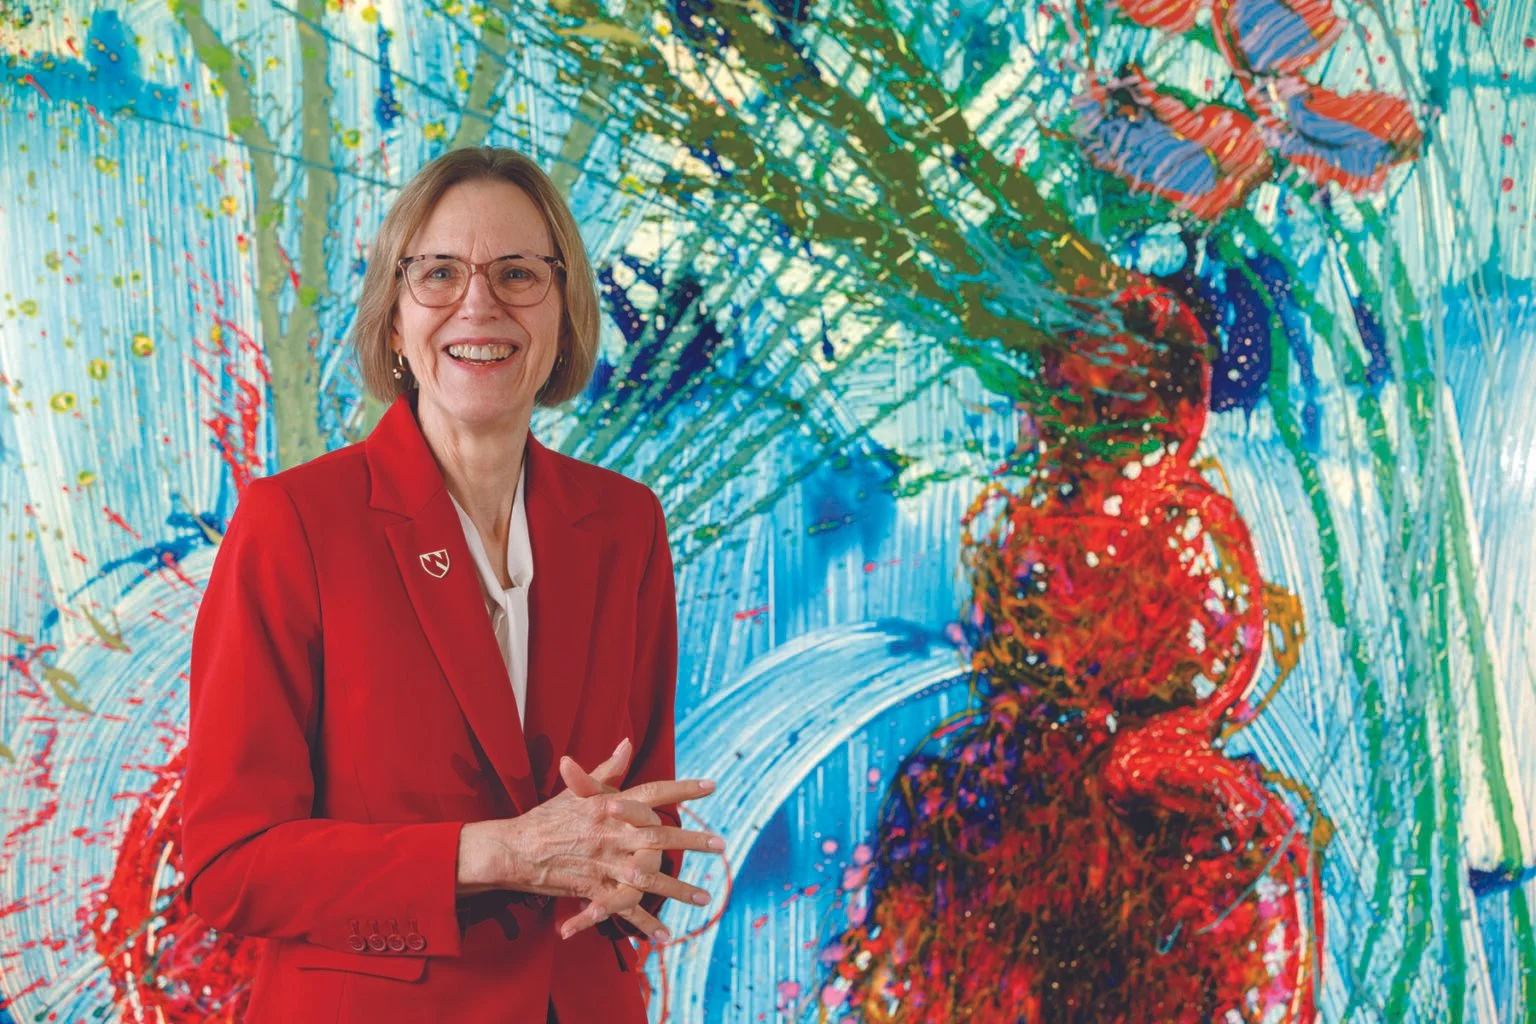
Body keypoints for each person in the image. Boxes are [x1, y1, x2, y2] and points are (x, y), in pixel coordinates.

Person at [180, 146, 722, 1023]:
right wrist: (498, 853)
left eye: (517, 274)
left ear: (563, 312)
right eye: (439, 273)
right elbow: (227, 865)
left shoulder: (626, 523)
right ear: (395, 319)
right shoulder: (295, 524)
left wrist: (637, 864)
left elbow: (639, 821)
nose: (480, 304)